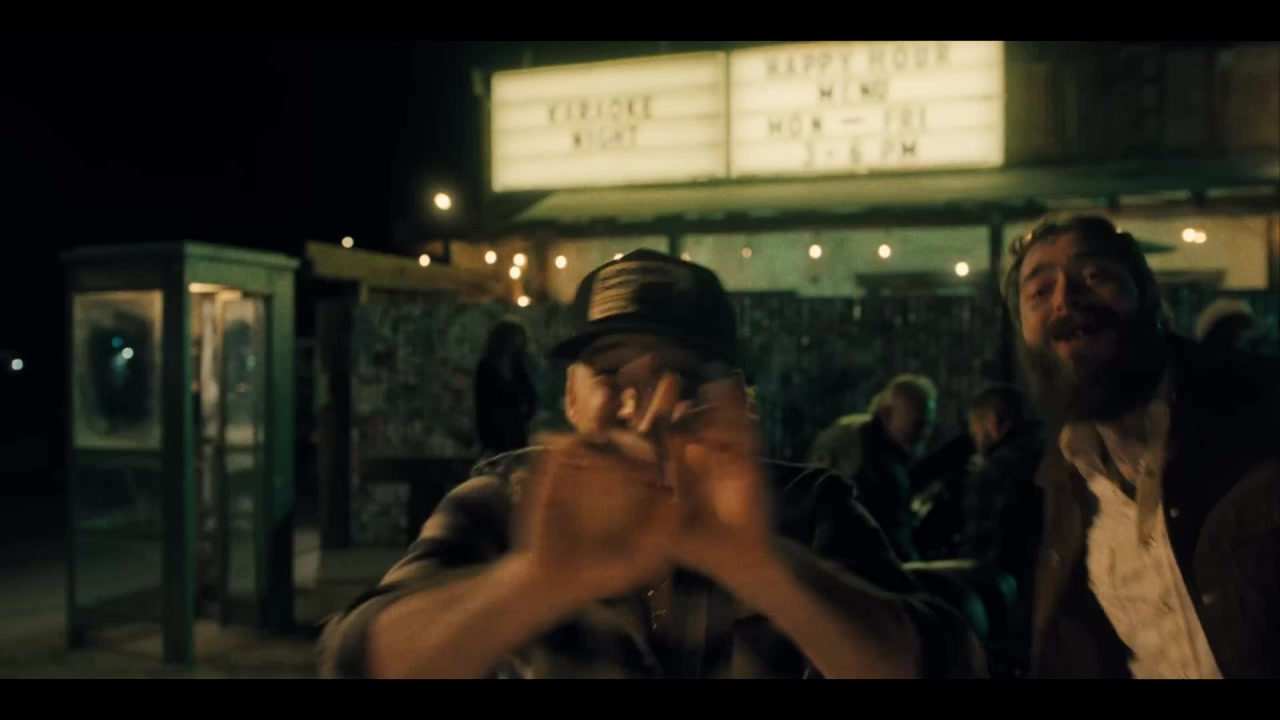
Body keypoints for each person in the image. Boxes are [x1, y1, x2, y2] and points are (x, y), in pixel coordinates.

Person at [318, 249, 981, 679]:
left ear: (741, 402)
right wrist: (537, 581)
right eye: (611, 374)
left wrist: (755, 563)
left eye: (685, 377)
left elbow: (945, 662)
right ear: (571, 397)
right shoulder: (506, 498)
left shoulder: (808, 507)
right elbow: (353, 656)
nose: (646, 405)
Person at [1005, 214, 1280, 679]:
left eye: (1094, 275)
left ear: (1149, 292)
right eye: (1039, 292)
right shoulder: (1062, 478)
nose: (1066, 299)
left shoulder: (1259, 411)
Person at [807, 375, 938, 562]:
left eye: (927, 425)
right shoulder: (876, 458)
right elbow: (892, 537)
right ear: (886, 413)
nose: (924, 433)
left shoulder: (850, 434)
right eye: (918, 425)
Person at [474, 319, 537, 456]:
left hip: (516, 431)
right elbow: (482, 406)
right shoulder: (486, 367)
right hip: (493, 433)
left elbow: (530, 397)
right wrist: (485, 439)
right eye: (516, 336)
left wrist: (526, 417)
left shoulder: (518, 367)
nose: (520, 341)